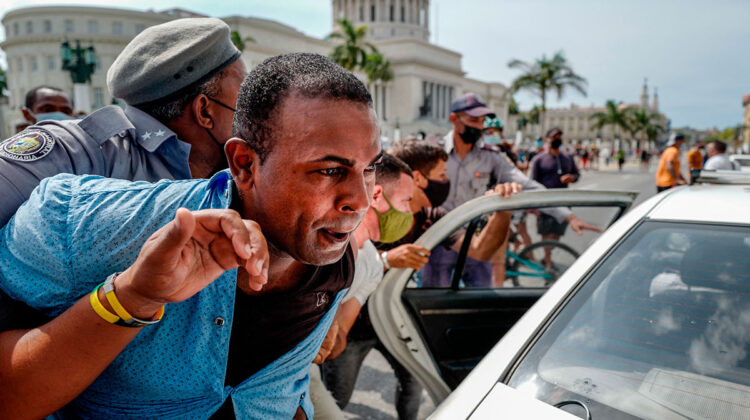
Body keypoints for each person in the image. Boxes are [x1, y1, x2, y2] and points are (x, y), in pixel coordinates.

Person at [0, 53, 379, 419]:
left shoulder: (336, 260)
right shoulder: (96, 224)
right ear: (244, 164)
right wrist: (133, 296)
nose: (361, 201)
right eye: (330, 170)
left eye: (371, 168)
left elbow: (277, 390)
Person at [0, 17, 247, 227]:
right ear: (204, 111)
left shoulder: (246, 166)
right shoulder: (77, 151)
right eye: (245, 93)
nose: (255, 106)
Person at [438, 93, 599, 287]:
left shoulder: (491, 157)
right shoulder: (432, 152)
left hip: (477, 244)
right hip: (439, 242)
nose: (480, 127)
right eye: (473, 120)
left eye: (482, 121)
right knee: (431, 307)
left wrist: (567, 216)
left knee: (478, 305)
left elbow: (528, 185)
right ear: (454, 119)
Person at [529, 127, 580, 266]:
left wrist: (571, 178)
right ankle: (548, 261)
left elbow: (576, 174)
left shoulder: (567, 157)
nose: (556, 139)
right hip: (545, 202)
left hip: (563, 201)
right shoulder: (539, 159)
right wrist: (534, 205)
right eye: (553, 137)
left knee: (557, 233)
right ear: (547, 139)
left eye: (559, 136)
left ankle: (548, 255)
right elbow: (532, 182)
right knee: (546, 233)